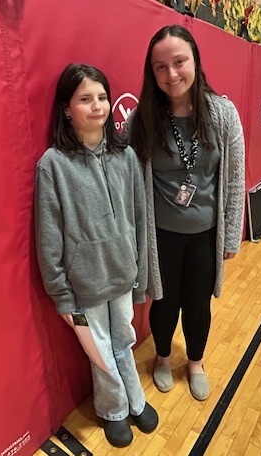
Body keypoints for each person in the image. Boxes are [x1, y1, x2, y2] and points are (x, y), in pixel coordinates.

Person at [34, 63, 158, 448]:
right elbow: (49, 238)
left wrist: (140, 275)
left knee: (124, 338)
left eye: (102, 97)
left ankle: (136, 399)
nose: (97, 106)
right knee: (99, 347)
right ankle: (114, 409)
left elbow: (140, 220)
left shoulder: (126, 158)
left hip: (122, 275)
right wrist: (62, 295)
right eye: (85, 99)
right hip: (84, 285)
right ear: (67, 109)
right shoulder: (52, 166)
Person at [125, 25, 245, 401]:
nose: (171, 74)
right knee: (163, 302)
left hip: (204, 235)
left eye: (179, 62)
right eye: (160, 67)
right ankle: (162, 357)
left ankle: (195, 361)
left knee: (197, 303)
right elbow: (124, 171)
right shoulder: (143, 118)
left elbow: (235, 176)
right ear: (151, 71)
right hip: (160, 236)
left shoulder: (223, 114)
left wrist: (229, 234)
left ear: (195, 61)